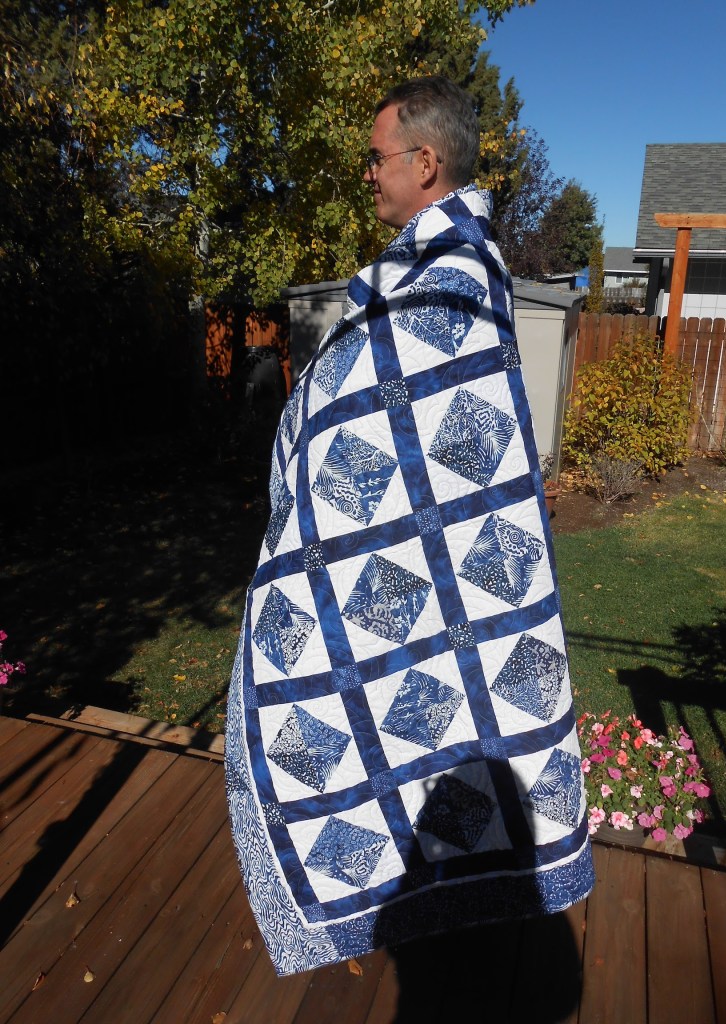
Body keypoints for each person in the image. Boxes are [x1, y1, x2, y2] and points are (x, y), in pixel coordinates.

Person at [225, 76, 594, 978]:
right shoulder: (431, 272)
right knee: (417, 733)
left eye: (376, 157)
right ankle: (438, 910)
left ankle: (451, 930)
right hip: (397, 555)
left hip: (443, 559)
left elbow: (413, 426)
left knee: (427, 723)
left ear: (425, 162)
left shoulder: (453, 282)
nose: (367, 173)